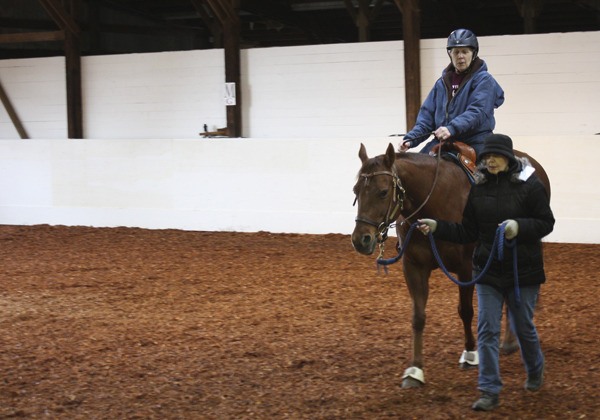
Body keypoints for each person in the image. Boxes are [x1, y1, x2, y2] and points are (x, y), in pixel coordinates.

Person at [416, 133, 555, 411]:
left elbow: (546, 222)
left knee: (523, 327)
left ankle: (535, 367)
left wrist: (520, 226)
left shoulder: (530, 187)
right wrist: (438, 226)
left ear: (508, 158)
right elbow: (468, 231)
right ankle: (489, 389)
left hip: (521, 271)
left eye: (495, 157)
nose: (490, 161)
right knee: (487, 330)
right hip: (488, 270)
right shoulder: (478, 189)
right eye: (487, 157)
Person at [400, 29, 504, 157]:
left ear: (474, 53)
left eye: (465, 51)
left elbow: (478, 111)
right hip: (444, 141)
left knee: (484, 174)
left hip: (475, 140)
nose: (460, 56)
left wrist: (451, 128)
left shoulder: (485, 80)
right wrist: (410, 139)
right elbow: (426, 118)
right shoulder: (441, 84)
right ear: (450, 54)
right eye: (456, 52)